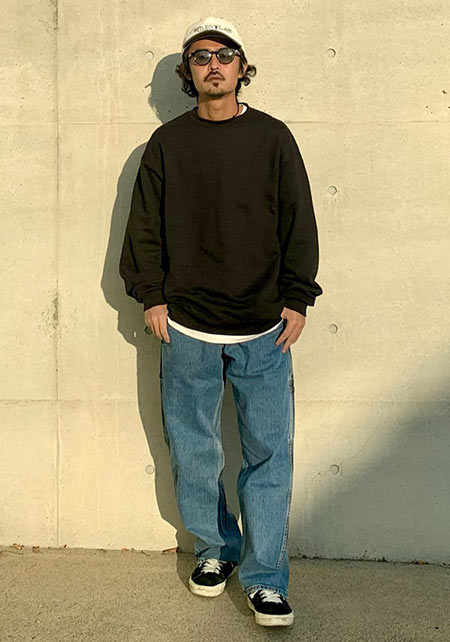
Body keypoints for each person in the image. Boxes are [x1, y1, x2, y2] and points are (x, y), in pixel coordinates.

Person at [119, 15, 323, 627]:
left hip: (264, 328)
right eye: (201, 56)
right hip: (187, 328)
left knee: (269, 456)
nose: (214, 64)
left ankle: (266, 579)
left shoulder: (273, 137)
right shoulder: (167, 144)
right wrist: (152, 297)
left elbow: (298, 219)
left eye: (225, 54)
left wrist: (297, 297)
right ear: (188, 71)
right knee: (194, 451)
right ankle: (216, 549)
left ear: (242, 66)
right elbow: (143, 226)